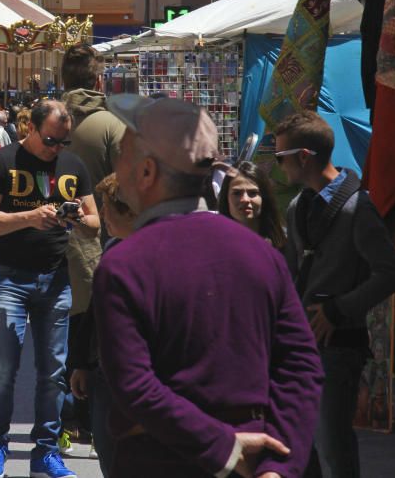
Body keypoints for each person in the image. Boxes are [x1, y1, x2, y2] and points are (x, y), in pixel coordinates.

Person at [93, 94, 324, 477]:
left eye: (123, 151)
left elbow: (134, 385)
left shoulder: (124, 265)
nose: (116, 161)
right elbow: (301, 364)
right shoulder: (260, 252)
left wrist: (226, 448)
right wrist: (277, 466)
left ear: (147, 172)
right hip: (256, 453)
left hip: (162, 461)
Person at [0, 99, 100, 478]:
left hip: (55, 277)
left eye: (64, 142)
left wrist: (75, 218)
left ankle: (46, 451)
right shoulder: (2, 162)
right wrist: (29, 217)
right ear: (30, 128)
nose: (57, 148)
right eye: (50, 140)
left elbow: (95, 223)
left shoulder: (73, 167)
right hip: (8, 277)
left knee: (53, 370)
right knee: (3, 368)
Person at [274, 110, 395, 477]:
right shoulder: (299, 206)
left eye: (282, 157)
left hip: (338, 345)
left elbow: (390, 274)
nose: (279, 166)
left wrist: (339, 309)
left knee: (333, 445)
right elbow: (291, 270)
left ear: (304, 157)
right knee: (302, 445)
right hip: (299, 344)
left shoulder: (357, 208)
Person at [58, 44, 127, 450]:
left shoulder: (42, 122)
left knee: (56, 339)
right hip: (97, 244)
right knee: (91, 337)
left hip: (47, 243)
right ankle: (85, 417)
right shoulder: (110, 126)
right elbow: (127, 187)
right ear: (99, 81)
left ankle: (62, 420)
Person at [69, 173, 136, 474]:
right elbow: (94, 313)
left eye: (108, 206)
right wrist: (82, 363)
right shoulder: (112, 251)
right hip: (104, 373)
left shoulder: (154, 255)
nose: (102, 215)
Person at [217, 161, 287, 250]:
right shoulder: (215, 244)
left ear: (264, 197)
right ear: (225, 197)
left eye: (253, 193)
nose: (245, 199)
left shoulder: (284, 241)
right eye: (237, 193)